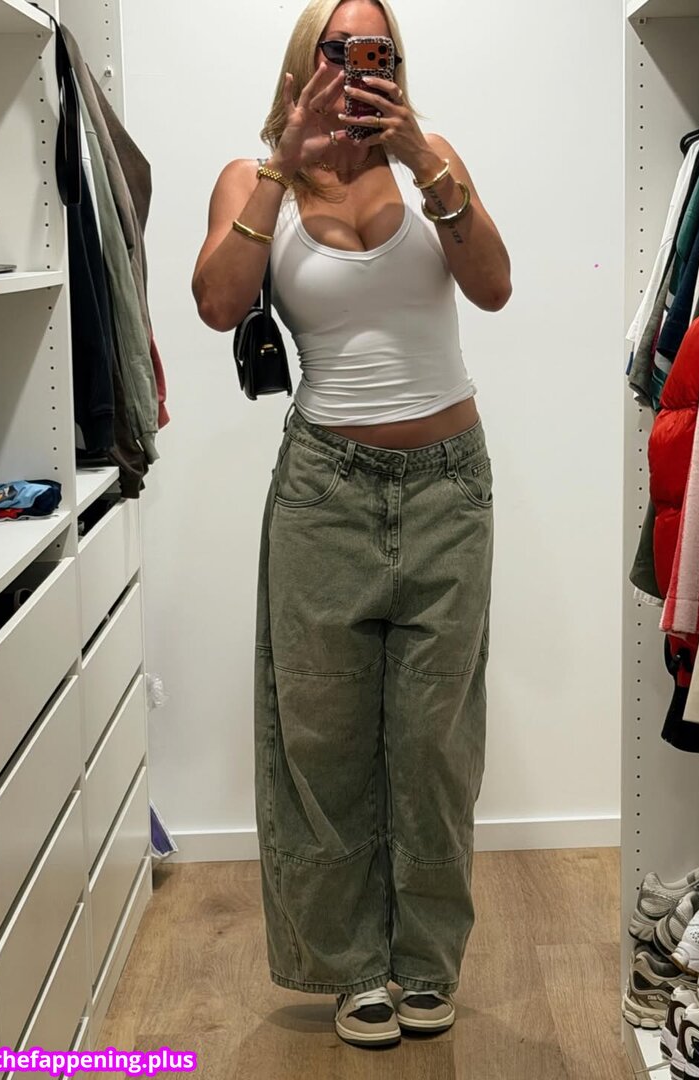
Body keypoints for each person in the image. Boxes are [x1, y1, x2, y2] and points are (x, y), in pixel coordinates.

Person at [192, 0, 511, 1050]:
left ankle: (426, 963)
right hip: (326, 490)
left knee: (435, 744)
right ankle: (352, 968)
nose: (360, 67)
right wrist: (281, 166)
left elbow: (494, 287)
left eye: (380, 52)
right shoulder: (254, 180)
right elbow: (217, 303)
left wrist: (422, 157)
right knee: (321, 735)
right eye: (340, 50)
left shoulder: (431, 162)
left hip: (449, 488)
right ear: (305, 62)